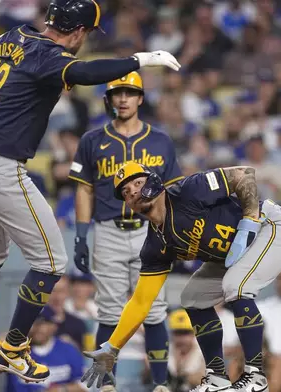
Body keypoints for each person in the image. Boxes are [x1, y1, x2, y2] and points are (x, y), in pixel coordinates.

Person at [0, 0, 181, 383]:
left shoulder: (15, 36)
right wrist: (139, 59)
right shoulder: (52, 56)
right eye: (87, 34)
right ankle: (13, 349)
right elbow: (87, 72)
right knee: (52, 262)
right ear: (78, 32)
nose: (86, 40)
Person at [81, 162, 281, 392]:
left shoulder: (187, 191)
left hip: (273, 225)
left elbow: (245, 174)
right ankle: (217, 377)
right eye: (126, 192)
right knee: (193, 298)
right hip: (233, 254)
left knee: (236, 286)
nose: (133, 193)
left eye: (137, 183)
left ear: (153, 182)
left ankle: (255, 376)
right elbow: (141, 302)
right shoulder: (154, 246)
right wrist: (113, 347)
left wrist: (250, 219)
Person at [68, 71, 183, 391]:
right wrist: (80, 235)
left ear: (140, 98)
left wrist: (176, 230)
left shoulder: (161, 139)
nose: (123, 98)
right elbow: (83, 190)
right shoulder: (92, 140)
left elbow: (174, 188)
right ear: (108, 98)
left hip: (153, 229)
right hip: (108, 230)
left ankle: (161, 382)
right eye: (117, 92)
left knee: (155, 308)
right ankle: (106, 382)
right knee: (109, 309)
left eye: (129, 92)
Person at [6, 307, 86, 392]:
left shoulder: (68, 350)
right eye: (33, 322)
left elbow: (85, 385)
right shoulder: (16, 354)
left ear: (54, 326)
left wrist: (60, 389)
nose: (38, 328)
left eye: (43, 323)